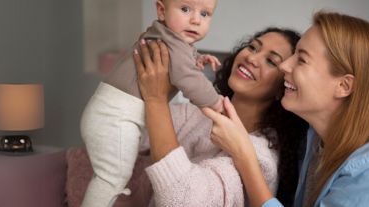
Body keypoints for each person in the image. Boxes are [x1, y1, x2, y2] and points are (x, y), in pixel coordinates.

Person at [202, 11, 369, 207]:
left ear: (343, 86)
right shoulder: (314, 137)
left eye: (301, 60)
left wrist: (244, 156)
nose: (285, 66)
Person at [78, 0, 225, 207]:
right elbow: (189, 81)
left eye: (205, 13)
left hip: (109, 115)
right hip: (114, 118)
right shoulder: (171, 44)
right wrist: (217, 103)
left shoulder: (165, 37)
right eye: (185, 9)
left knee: (111, 177)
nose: (196, 19)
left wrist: (196, 60)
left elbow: (180, 62)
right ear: (161, 10)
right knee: (111, 179)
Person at [132, 28, 309, 206]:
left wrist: (156, 100)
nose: (251, 58)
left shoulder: (262, 159)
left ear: (283, 88)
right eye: (253, 47)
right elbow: (134, 133)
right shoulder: (198, 114)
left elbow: (181, 199)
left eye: (271, 61)